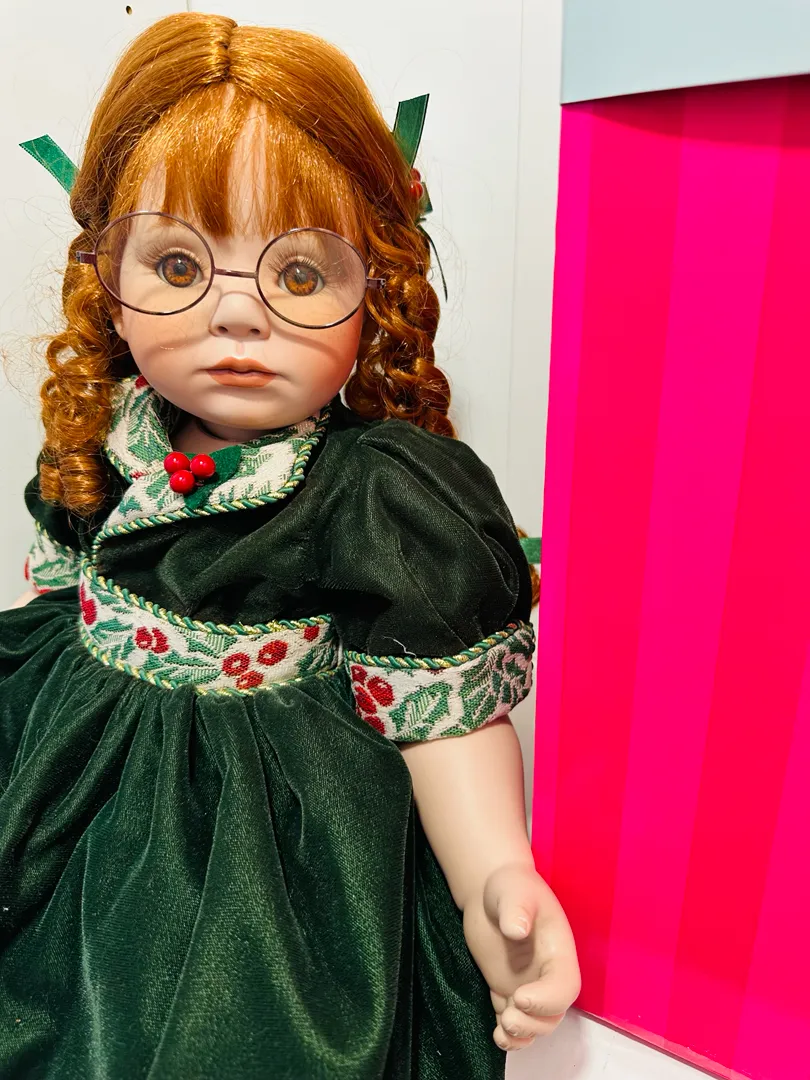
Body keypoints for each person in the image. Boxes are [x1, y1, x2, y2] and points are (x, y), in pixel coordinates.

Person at [0, 12, 579, 1078]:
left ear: (376, 289)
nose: (238, 315)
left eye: (300, 276)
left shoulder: (380, 494)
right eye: (179, 264)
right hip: (66, 773)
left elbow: (444, 722)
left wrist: (496, 874)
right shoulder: (107, 432)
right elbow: (55, 599)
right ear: (108, 282)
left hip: (264, 838)